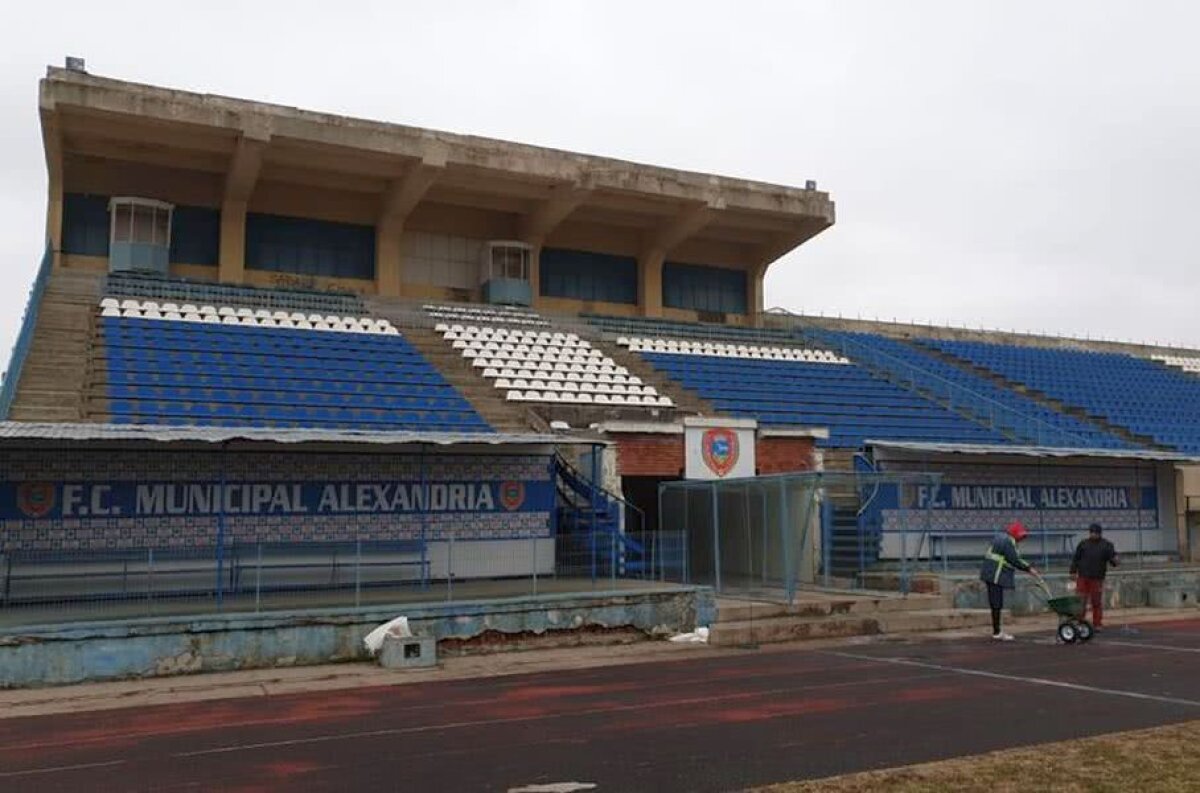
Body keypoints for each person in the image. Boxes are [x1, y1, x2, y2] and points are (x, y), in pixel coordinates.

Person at [979, 520, 1042, 641]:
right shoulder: (1008, 542)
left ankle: (997, 630)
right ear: (1015, 534)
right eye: (1021, 535)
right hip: (995, 575)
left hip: (990, 574)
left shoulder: (1002, 539)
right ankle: (997, 632)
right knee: (996, 603)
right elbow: (1015, 560)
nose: (1022, 538)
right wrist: (1029, 569)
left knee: (996, 603)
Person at [1070, 522, 1119, 630]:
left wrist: (1116, 560)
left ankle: (1097, 623)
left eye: (1096, 533)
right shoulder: (1083, 544)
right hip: (1083, 576)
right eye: (1092, 532)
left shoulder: (1106, 545)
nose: (1093, 535)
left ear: (1100, 533)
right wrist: (1073, 571)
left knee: (1096, 601)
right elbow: (1076, 559)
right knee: (1080, 601)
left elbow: (1113, 560)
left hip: (1097, 578)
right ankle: (1079, 622)